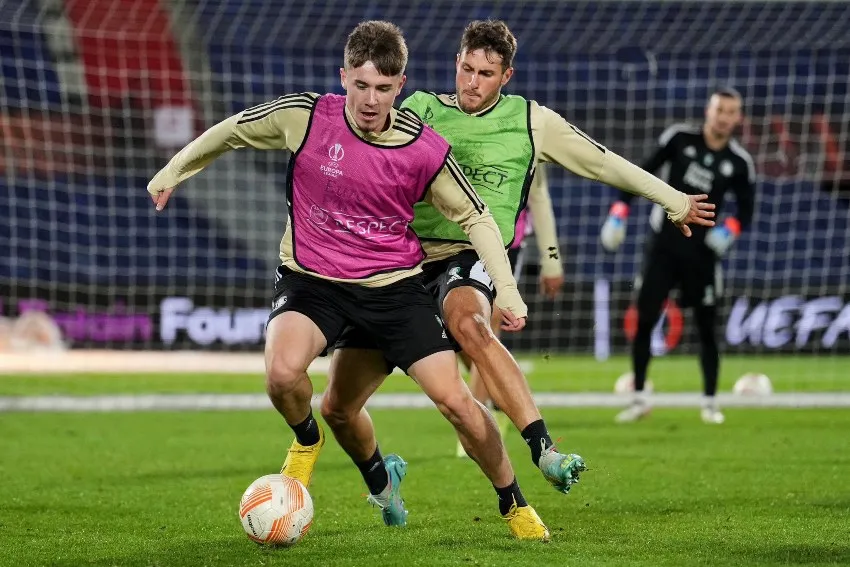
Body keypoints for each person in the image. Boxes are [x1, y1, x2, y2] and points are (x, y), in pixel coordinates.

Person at [147, 21, 551, 540]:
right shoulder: (306, 117)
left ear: (400, 86)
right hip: (312, 282)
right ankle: (310, 442)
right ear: (344, 78)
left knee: (455, 402)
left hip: (392, 288)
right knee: (284, 376)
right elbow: (231, 130)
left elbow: (477, 217)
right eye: (360, 85)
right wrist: (173, 171)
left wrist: (509, 291)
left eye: (383, 88)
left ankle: (513, 502)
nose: (370, 99)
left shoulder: (423, 148)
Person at [320, 18, 715, 507]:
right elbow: (362, 141)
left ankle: (543, 449)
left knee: (471, 325)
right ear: (455, 63)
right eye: (465, 69)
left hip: (472, 253)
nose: (471, 82)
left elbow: (604, 161)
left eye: (485, 74)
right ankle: (382, 479)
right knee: (337, 407)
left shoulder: (533, 122)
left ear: (506, 76)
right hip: (400, 261)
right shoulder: (419, 110)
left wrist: (672, 199)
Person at [600, 87, 756, 424]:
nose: (725, 117)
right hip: (663, 248)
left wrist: (727, 231)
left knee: (707, 328)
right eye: (720, 110)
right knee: (644, 320)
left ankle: (710, 403)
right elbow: (639, 175)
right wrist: (618, 212)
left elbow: (746, 211)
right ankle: (639, 398)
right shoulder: (679, 139)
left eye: (732, 112)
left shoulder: (740, 163)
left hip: (702, 254)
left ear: (738, 118)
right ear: (708, 111)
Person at [457, 166, 563, 458]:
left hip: (505, 243)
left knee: (483, 325)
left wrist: (551, 259)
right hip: (454, 239)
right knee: (458, 330)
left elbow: (538, 197)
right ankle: (497, 393)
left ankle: (477, 427)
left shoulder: (528, 135)